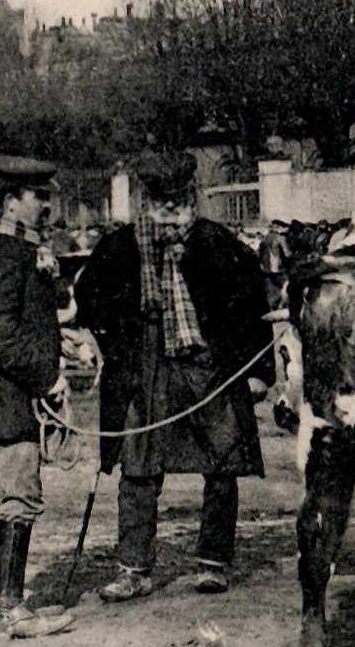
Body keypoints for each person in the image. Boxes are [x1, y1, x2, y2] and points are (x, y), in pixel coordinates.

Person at [77, 153, 273, 600]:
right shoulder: (120, 246)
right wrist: (112, 342)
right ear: (146, 200)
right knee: (138, 465)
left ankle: (213, 562)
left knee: (223, 461)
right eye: (159, 201)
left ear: (190, 198)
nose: (168, 209)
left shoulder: (219, 245)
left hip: (207, 365)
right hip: (145, 366)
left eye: (177, 200)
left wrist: (260, 372)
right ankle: (134, 569)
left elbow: (252, 310)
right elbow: (87, 296)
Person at [0, 156, 75, 639]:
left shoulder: (11, 247)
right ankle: (8, 609)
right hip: (12, 394)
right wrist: (46, 375)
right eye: (38, 197)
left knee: (4, 494)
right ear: (11, 201)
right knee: (19, 496)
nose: (47, 205)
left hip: (8, 392)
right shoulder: (5, 252)